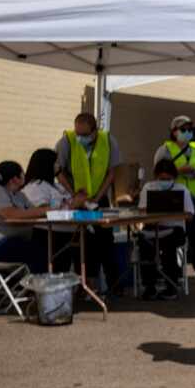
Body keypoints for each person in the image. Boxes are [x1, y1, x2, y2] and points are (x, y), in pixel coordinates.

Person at [54, 112, 121, 292]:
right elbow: (58, 171)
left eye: (84, 135)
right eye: (78, 133)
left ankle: (114, 284)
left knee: (106, 241)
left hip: (100, 199)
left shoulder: (108, 141)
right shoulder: (66, 142)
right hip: (76, 200)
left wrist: (98, 198)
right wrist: (75, 196)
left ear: (94, 131)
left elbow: (112, 173)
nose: (80, 138)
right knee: (81, 243)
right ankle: (85, 285)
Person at [153, 115, 195, 286]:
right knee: (173, 236)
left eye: (190, 130)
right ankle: (173, 272)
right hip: (173, 197)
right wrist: (179, 171)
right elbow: (158, 173)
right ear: (174, 131)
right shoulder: (165, 150)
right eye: (183, 130)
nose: (187, 133)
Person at [136, 159, 194, 300]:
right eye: (162, 179)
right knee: (144, 245)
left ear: (174, 177)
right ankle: (149, 287)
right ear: (156, 176)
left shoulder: (182, 190)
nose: (165, 181)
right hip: (152, 227)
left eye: (168, 179)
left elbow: (190, 215)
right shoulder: (148, 188)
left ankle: (171, 287)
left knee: (169, 246)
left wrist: (173, 213)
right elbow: (141, 212)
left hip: (174, 229)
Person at [0, 161, 50, 272]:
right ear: (15, 179)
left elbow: (34, 211)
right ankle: (38, 285)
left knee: (49, 243)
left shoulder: (19, 195)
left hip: (15, 241)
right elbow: (10, 215)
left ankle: (39, 284)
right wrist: (46, 210)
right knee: (39, 250)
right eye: (23, 174)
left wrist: (49, 210)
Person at [20, 148, 76, 272]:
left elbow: (70, 200)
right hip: (48, 234)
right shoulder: (35, 187)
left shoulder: (56, 186)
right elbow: (43, 211)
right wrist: (67, 205)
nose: (58, 166)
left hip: (66, 231)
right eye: (55, 162)